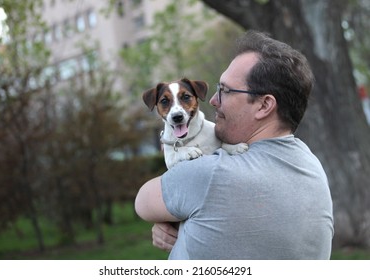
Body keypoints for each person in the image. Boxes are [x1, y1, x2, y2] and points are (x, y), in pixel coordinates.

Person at [134, 30, 334, 259]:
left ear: (264, 105)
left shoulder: (211, 173)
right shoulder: (313, 167)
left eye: (225, 90)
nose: (212, 100)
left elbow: (143, 202)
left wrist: (168, 214)